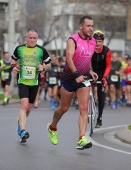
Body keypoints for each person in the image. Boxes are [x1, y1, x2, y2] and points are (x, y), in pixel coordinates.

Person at [47, 16, 98, 150]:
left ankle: (81, 138)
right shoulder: (73, 40)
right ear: (81, 26)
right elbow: (69, 58)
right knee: (64, 108)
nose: (91, 28)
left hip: (84, 79)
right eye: (88, 26)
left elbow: (88, 58)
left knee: (83, 108)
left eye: (92, 26)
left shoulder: (93, 41)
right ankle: (52, 127)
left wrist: (91, 70)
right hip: (70, 78)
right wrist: (76, 75)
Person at [11, 29, 51, 143]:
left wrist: (43, 68)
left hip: (34, 82)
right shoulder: (19, 49)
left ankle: (20, 122)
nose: (32, 40)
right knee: (23, 106)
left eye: (34, 38)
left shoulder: (41, 50)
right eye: (30, 37)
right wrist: (14, 67)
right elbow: (13, 60)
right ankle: (23, 131)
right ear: (26, 38)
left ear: (37, 39)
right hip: (22, 81)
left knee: (28, 108)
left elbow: (49, 65)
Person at [91, 30, 111, 127]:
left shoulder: (107, 51)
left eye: (100, 41)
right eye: (96, 41)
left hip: (102, 73)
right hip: (91, 71)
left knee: (101, 93)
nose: (98, 43)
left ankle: (100, 117)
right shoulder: (89, 49)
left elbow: (108, 66)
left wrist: (104, 77)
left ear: (103, 42)